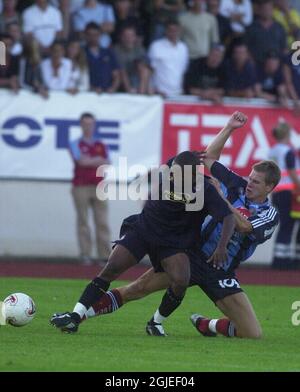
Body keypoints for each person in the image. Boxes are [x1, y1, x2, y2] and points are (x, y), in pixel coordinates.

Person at [72, 115, 281, 338]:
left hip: (221, 268)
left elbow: (245, 227)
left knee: (252, 334)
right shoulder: (237, 184)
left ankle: (206, 324)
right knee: (137, 288)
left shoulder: (270, 214)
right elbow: (208, 157)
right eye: (250, 178)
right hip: (190, 253)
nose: (249, 184)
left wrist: (221, 199)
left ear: (269, 187)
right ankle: (77, 316)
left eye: (256, 182)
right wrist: (229, 128)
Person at [50, 124, 244, 333]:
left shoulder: (205, 189)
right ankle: (75, 316)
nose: (173, 178)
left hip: (173, 242)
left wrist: (222, 247)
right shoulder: (169, 171)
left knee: (180, 281)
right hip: (144, 230)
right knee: (111, 269)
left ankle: (156, 322)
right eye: (173, 173)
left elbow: (228, 217)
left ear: (193, 176)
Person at [69, 112, 111, 265]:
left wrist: (91, 161)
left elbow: (106, 161)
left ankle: (105, 255)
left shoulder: (101, 144)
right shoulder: (75, 143)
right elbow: (81, 161)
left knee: (102, 221)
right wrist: (97, 160)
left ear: (94, 125)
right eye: (85, 124)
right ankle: (85, 254)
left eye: (90, 124)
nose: (88, 127)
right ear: (81, 125)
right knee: (83, 221)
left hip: (99, 185)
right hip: (80, 186)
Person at [268, 121, 300, 269]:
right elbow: (293, 172)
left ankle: (280, 256)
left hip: (277, 192)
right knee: (289, 225)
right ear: (287, 134)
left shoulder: (273, 150)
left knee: (284, 225)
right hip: (289, 192)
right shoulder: (287, 151)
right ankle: (282, 260)